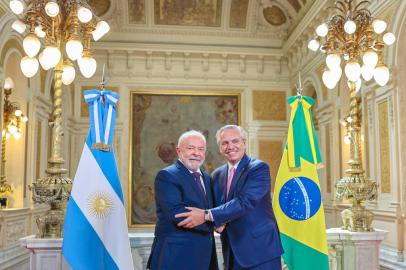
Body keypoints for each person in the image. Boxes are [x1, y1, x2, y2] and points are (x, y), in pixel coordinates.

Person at [176, 125, 283, 270]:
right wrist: (215, 222)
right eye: (224, 143)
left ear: (244, 143)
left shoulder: (258, 168)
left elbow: (245, 202)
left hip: (261, 251)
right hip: (231, 251)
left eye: (235, 141)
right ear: (219, 147)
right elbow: (215, 206)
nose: (230, 146)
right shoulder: (217, 175)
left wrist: (207, 215)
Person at [147, 130, 218, 270]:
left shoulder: (207, 177)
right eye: (191, 148)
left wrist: (212, 216)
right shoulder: (167, 176)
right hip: (175, 257)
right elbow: (180, 216)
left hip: (205, 257)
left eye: (201, 149)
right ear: (179, 151)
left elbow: (211, 209)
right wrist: (215, 221)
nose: (196, 153)